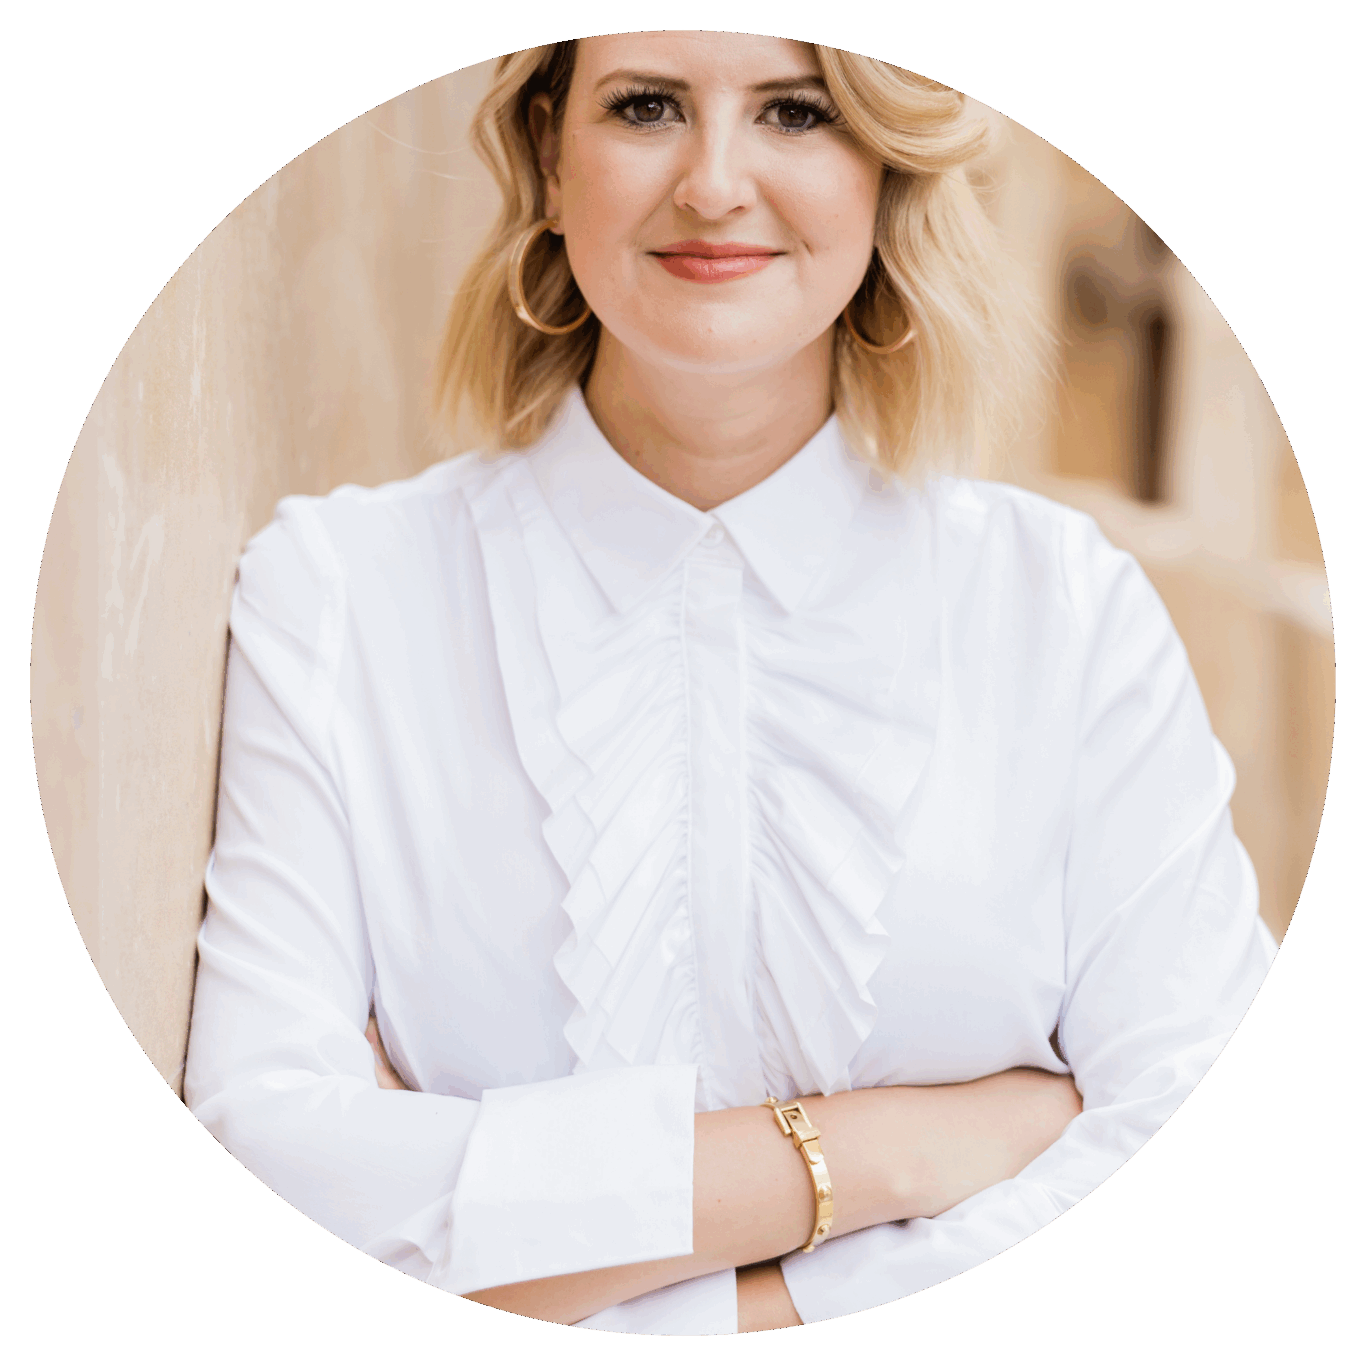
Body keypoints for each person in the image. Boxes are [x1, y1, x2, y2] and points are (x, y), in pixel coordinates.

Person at [183, 32, 1276, 1335]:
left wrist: (622, 1291)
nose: (712, 183)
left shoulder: (1066, 614)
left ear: (883, 169)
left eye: (795, 113)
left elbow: (1210, 1169)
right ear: (548, 155)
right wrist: (883, 1157)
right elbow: (262, 1179)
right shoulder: (336, 600)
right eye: (646, 107)